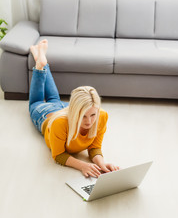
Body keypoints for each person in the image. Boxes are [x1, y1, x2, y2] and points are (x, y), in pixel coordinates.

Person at [29, 39, 119, 178]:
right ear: (74, 112)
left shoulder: (102, 116)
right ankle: (40, 65)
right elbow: (58, 155)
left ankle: (41, 62)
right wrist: (83, 165)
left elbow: (94, 147)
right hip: (45, 113)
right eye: (83, 116)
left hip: (68, 107)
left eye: (92, 115)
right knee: (36, 101)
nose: (89, 122)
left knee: (55, 99)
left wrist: (102, 164)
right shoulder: (60, 124)